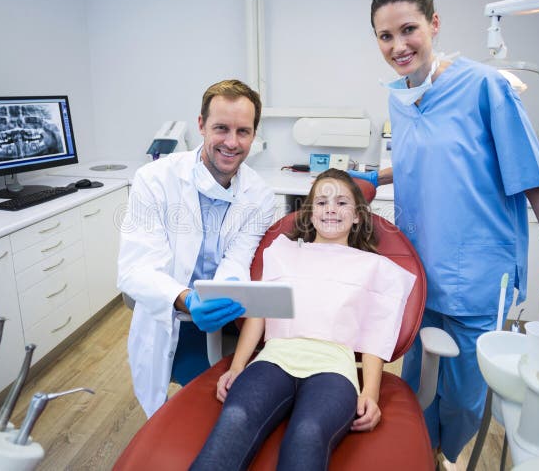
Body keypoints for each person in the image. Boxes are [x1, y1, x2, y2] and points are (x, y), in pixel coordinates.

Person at [349, 0, 539, 467]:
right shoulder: (401, 96)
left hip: (477, 279)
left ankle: (444, 454)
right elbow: (441, 158)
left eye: (409, 29)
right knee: (418, 392)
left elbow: (537, 181)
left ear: (434, 24)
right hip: (422, 275)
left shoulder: (486, 86)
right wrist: (374, 177)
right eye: (385, 36)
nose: (398, 46)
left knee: (462, 401)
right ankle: (422, 456)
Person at [191, 169, 417, 470]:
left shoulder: (375, 268)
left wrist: (370, 394)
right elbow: (259, 315)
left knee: (308, 433)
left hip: (334, 370)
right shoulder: (282, 252)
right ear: (310, 215)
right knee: (236, 417)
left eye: (341, 203)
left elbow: (376, 336)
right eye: (321, 203)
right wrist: (236, 367)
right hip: (273, 360)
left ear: (358, 216)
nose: (331, 209)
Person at [117, 79, 275, 417]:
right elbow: (135, 270)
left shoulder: (259, 195)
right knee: (167, 415)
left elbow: (238, 256)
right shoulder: (154, 180)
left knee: (218, 407)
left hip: (223, 320)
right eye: (221, 128)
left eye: (243, 131)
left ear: (254, 134)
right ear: (201, 125)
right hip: (167, 314)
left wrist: (228, 286)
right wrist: (187, 297)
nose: (232, 143)